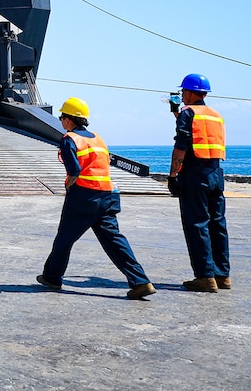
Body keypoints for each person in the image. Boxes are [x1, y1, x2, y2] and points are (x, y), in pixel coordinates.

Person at [36, 97, 156, 300]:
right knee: (114, 241)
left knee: (65, 238)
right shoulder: (98, 138)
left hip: (84, 197)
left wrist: (69, 184)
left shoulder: (69, 139)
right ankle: (140, 281)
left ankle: (52, 277)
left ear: (68, 119)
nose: (61, 121)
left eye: (62, 117)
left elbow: (74, 170)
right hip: (108, 196)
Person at [168, 73, 230, 292]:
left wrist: (173, 175)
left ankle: (204, 277)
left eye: (183, 91)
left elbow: (182, 146)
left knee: (196, 224)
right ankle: (222, 275)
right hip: (215, 173)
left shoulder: (188, 113)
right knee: (217, 224)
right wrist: (177, 113)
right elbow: (198, 133)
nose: (182, 95)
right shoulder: (215, 116)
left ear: (190, 92)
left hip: (195, 175)